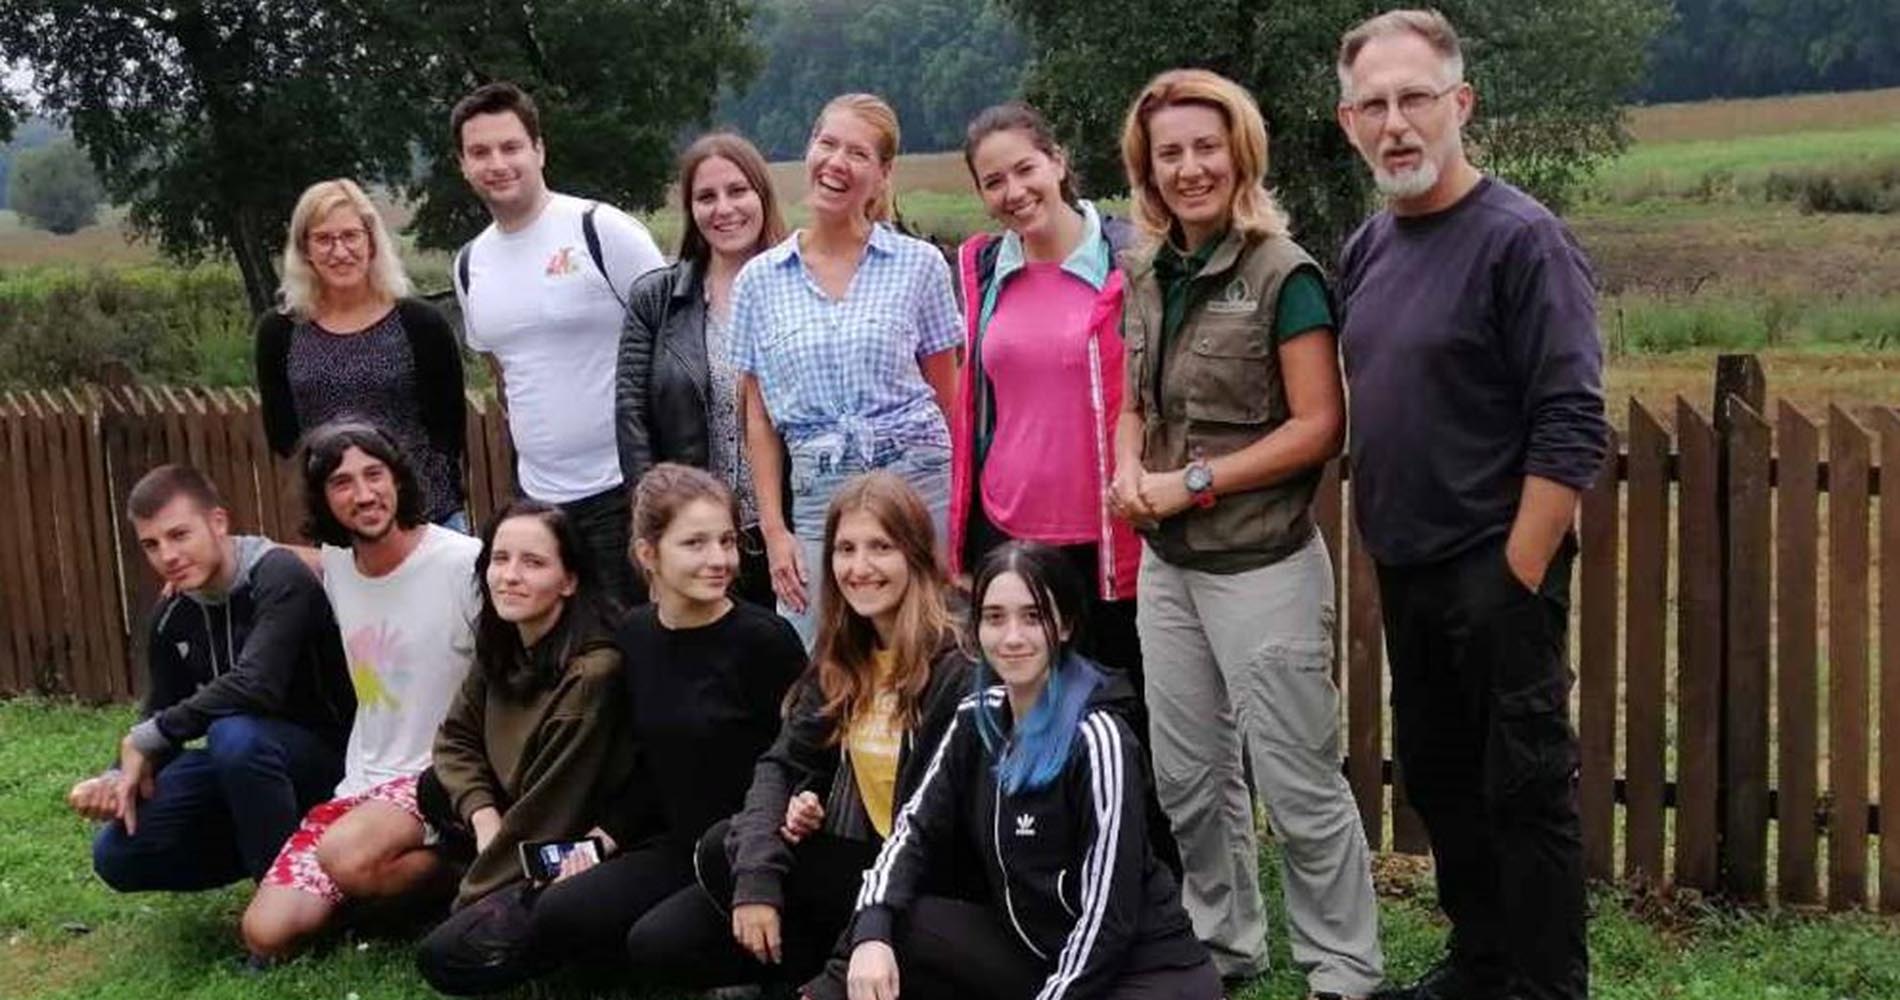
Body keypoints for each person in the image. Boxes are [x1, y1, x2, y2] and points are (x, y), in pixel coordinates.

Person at [1333, 12, 1607, 1000]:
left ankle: (1544, 985)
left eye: (1415, 99)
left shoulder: (1522, 241)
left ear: (1461, 105)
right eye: (1374, 105)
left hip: (1497, 566)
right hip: (1407, 567)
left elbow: (1569, 419)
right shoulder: (1369, 247)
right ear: (1348, 123)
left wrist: (1515, 572)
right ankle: (1482, 963)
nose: (1396, 124)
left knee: (1524, 789)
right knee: (1443, 781)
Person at [1106, 69, 1384, 999]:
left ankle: (1342, 967)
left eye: (1206, 148)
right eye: (1170, 154)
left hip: (1262, 567)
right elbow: (1135, 402)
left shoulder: (1283, 274)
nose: (1190, 169)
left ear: (1241, 155)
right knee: (1190, 778)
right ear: (1147, 169)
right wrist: (1126, 468)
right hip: (1169, 569)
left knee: (1297, 780)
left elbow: (1320, 425)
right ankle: (1223, 945)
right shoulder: (1147, 271)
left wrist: (1191, 484)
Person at [811, 541, 1219, 1000]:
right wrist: (870, 933)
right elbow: (913, 834)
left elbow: (1109, 917)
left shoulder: (1098, 737)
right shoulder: (975, 717)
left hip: (1141, 971)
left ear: (1064, 626)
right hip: (1037, 955)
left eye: (1033, 617)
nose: (1012, 637)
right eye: (994, 617)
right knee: (900, 923)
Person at [615, 471, 973, 994]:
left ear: (916, 555)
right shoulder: (847, 656)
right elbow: (780, 763)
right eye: (846, 549)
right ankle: (810, 973)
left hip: (935, 884)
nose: (860, 567)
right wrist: (757, 882)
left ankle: (832, 979)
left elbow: (935, 828)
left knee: (732, 855)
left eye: (881, 547)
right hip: (868, 865)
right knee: (713, 865)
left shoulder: (956, 664)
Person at [492, 464, 809, 991]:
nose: (720, 559)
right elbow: (650, 763)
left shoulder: (765, 641)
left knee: (657, 943)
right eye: (695, 543)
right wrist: (601, 840)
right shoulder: (636, 636)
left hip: (748, 848)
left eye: (727, 541)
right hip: (674, 845)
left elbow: (802, 760)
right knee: (561, 911)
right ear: (648, 554)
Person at [239, 422, 482, 960]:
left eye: (375, 474)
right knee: (266, 932)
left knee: (347, 857)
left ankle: (466, 869)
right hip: (364, 781)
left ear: (398, 478)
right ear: (323, 499)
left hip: (441, 777)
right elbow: (274, 555)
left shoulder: (464, 563)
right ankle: (391, 885)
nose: (365, 494)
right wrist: (211, 557)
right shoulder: (339, 567)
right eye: (342, 483)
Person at [730, 93, 961, 644]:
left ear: (883, 174)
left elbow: (948, 398)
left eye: (858, 154)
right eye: (827, 144)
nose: (837, 163)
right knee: (816, 648)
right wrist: (775, 529)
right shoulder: (759, 281)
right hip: (818, 496)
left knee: (926, 644)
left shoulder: (920, 265)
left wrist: (957, 520)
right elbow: (758, 419)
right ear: (809, 149)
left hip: (918, 485)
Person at [68, 465, 353, 895]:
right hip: (245, 768)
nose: (167, 556)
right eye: (151, 544)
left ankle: (286, 898)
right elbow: (162, 708)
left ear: (218, 522)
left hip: (332, 763)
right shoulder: (171, 615)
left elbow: (257, 684)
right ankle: (288, 856)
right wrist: (115, 779)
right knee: (118, 855)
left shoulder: (279, 576)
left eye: (179, 535)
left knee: (233, 735)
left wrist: (151, 734)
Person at [413, 498, 641, 993]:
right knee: (435, 788)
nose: (510, 576)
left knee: (446, 956)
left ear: (569, 580)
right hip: (518, 815)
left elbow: (549, 810)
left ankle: (584, 939)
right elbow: (454, 740)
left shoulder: (592, 674)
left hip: (584, 836)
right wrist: (483, 819)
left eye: (533, 563)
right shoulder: (504, 639)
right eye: (500, 558)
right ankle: (499, 893)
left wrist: (471, 900)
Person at [949, 101, 1143, 683]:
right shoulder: (981, 270)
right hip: (1009, 531)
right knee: (1024, 701)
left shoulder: (1131, 259)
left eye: (1025, 169)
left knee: (1117, 702)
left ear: (1057, 162)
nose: (1014, 192)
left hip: (1111, 534)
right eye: (994, 182)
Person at [450, 81, 666, 602]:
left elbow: (674, 338)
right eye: (480, 152)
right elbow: (504, 370)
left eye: (511, 147)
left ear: (539, 150)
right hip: (539, 501)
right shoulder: (469, 264)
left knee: (635, 637)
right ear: (462, 165)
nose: (497, 163)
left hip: (626, 490)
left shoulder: (601, 230)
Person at [615, 132, 790, 609]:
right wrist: (656, 528)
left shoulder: (800, 289)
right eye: (706, 197)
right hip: (693, 543)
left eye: (737, 191)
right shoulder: (656, 299)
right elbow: (632, 420)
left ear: (762, 195)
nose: (724, 208)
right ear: (690, 209)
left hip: (786, 534)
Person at [254, 179, 469, 532]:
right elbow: (284, 437)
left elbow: (448, 431)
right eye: (324, 239)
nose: (339, 251)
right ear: (304, 249)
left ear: (371, 242)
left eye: (350, 236)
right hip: (340, 526)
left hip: (428, 519)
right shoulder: (280, 333)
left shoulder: (420, 324)